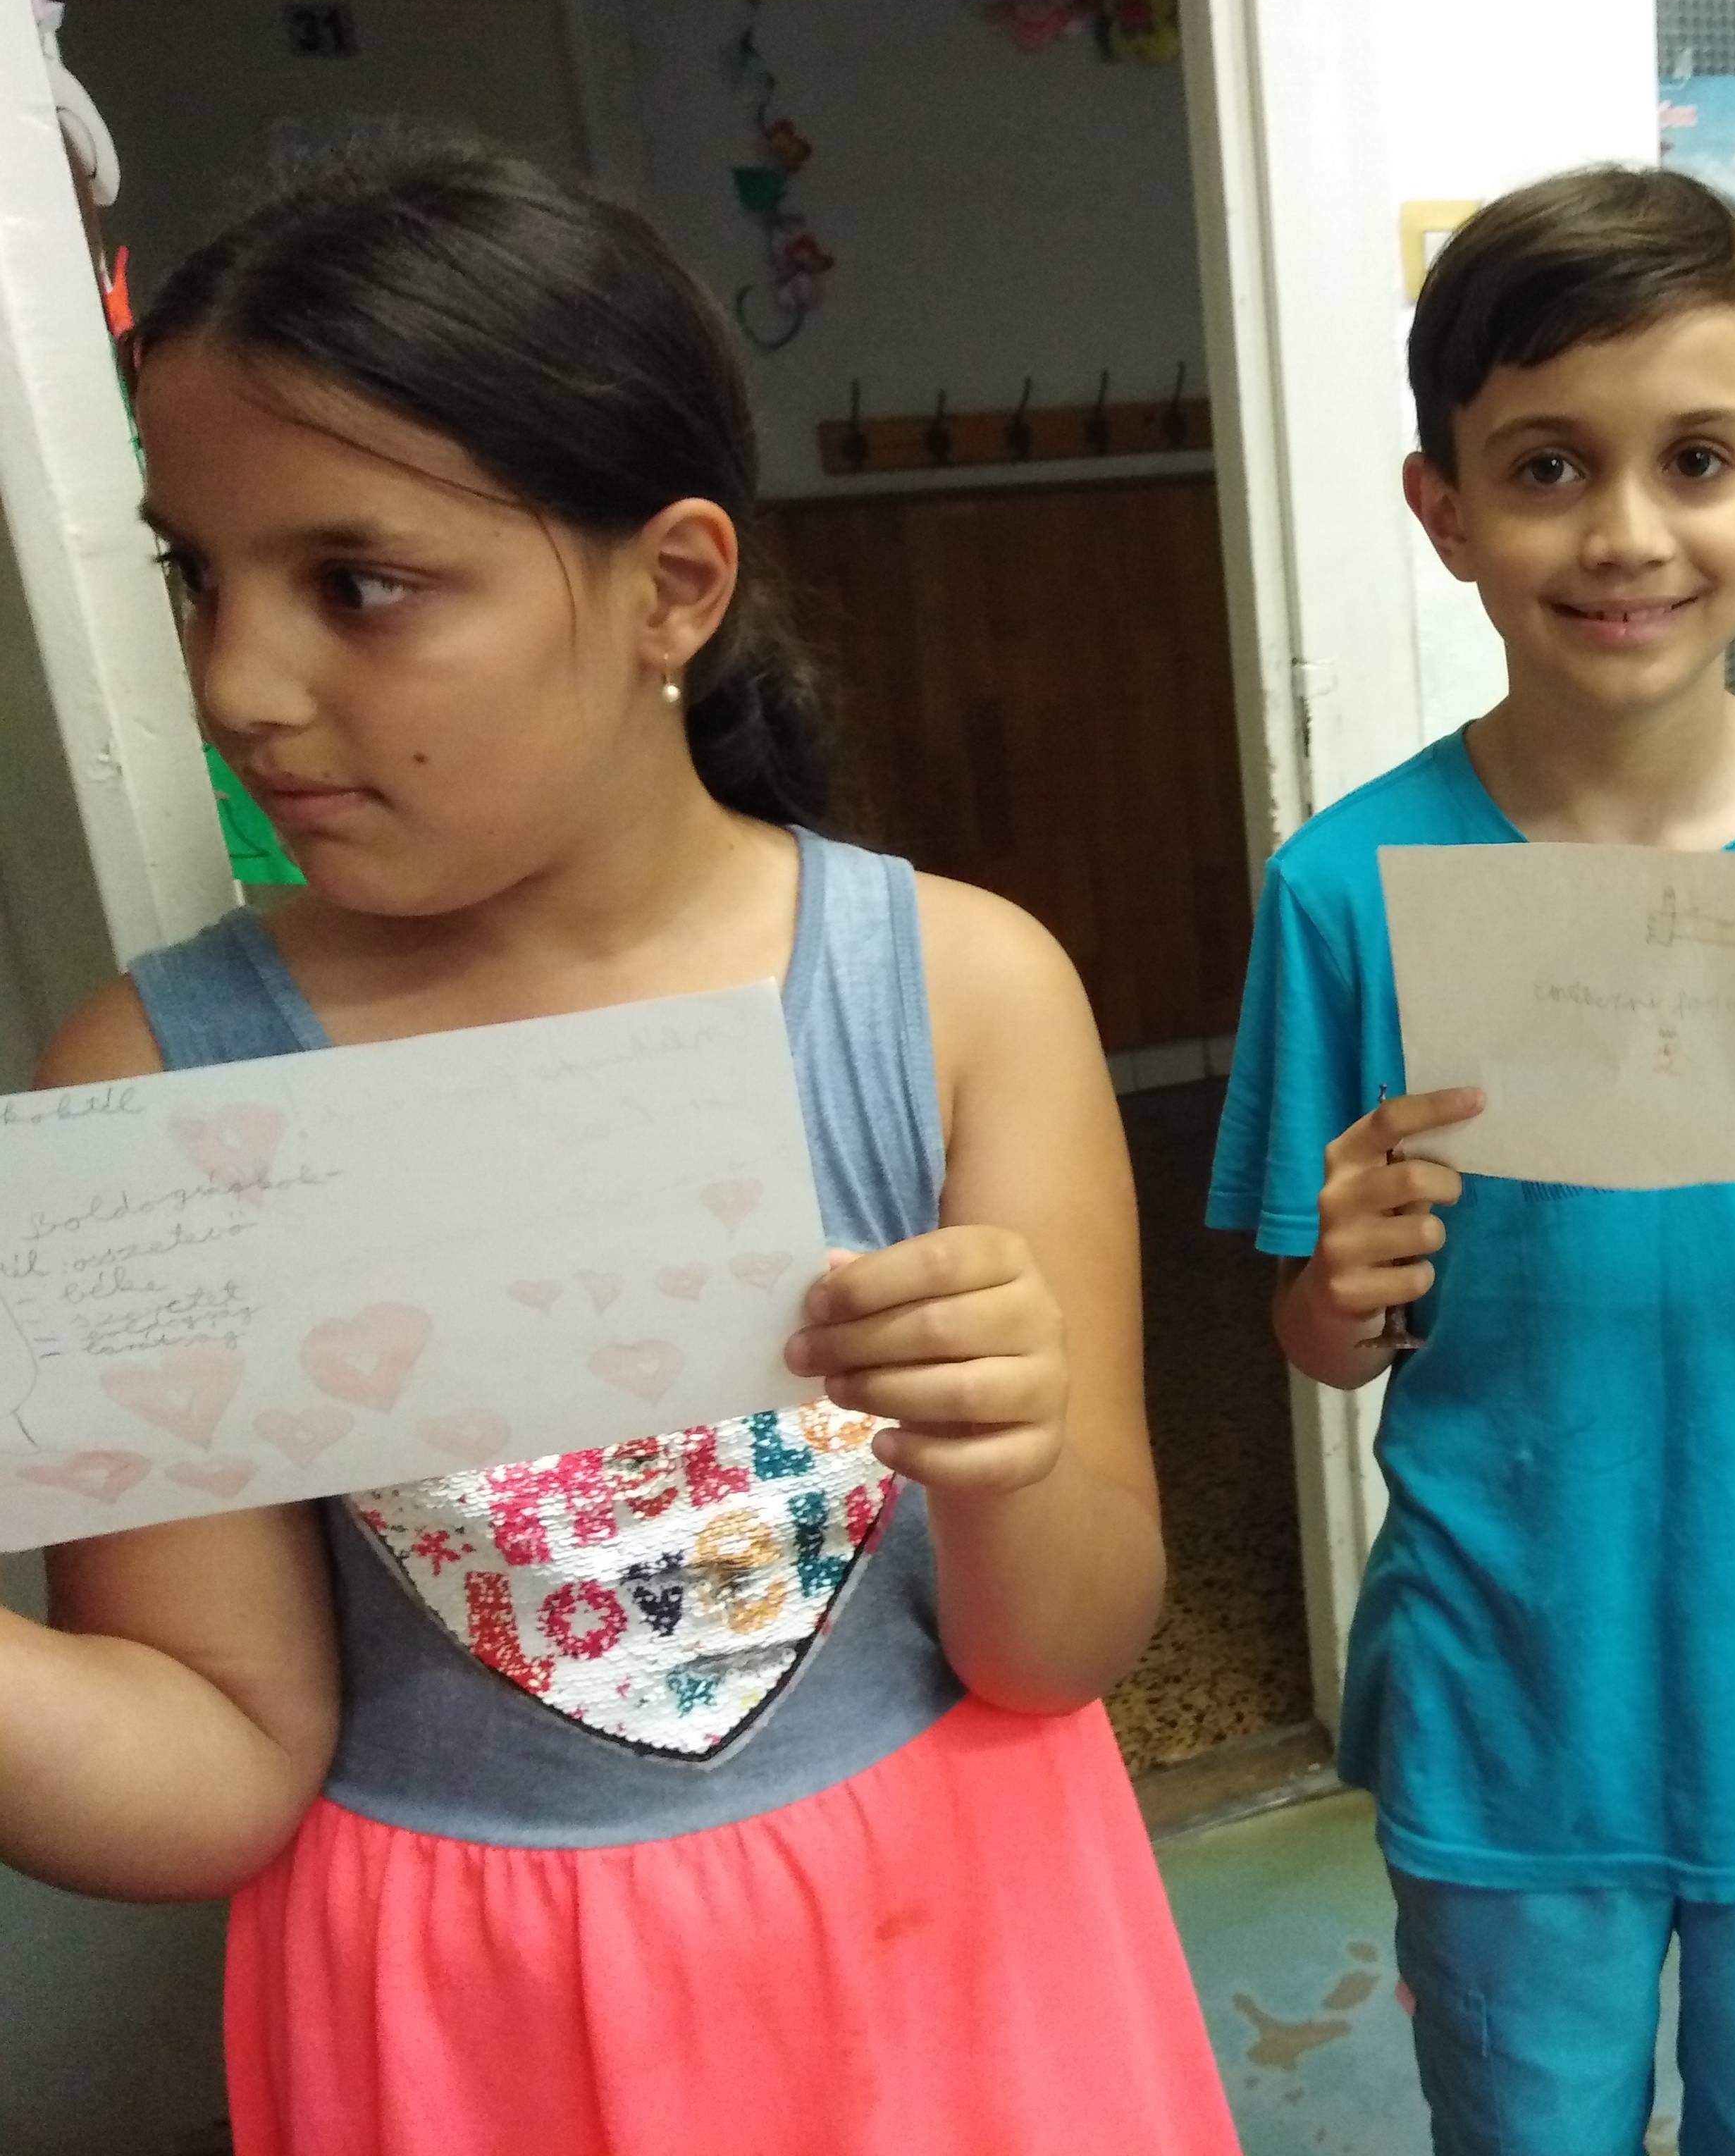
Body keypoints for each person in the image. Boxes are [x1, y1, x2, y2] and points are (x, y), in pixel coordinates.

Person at [0, 140, 1239, 2155]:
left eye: (359, 583)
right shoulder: (154, 1079)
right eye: (194, 574)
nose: (234, 682)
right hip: (470, 2034)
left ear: (673, 583)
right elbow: (208, 1771)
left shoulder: (956, 996)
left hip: (956, 1972)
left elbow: (1066, 1647)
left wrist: (1011, 1464)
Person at [1206, 164, 1735, 2154]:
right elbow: (1320, 1337)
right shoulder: (1347, 889)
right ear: (1445, 509)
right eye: (1549, 467)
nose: (1629, 533)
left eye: (1697, 460)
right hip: (1508, 1697)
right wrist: (1343, 1287)